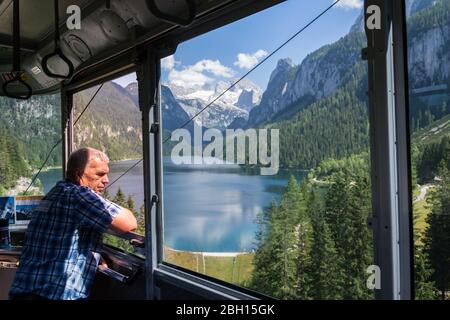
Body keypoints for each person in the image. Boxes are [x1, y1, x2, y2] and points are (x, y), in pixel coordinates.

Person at [9, 147, 137, 300]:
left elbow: (59, 241)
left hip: (25, 291)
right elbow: (129, 223)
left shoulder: (56, 192)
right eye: (100, 174)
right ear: (78, 175)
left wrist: (91, 256)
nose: (106, 180)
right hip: (53, 295)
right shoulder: (78, 194)